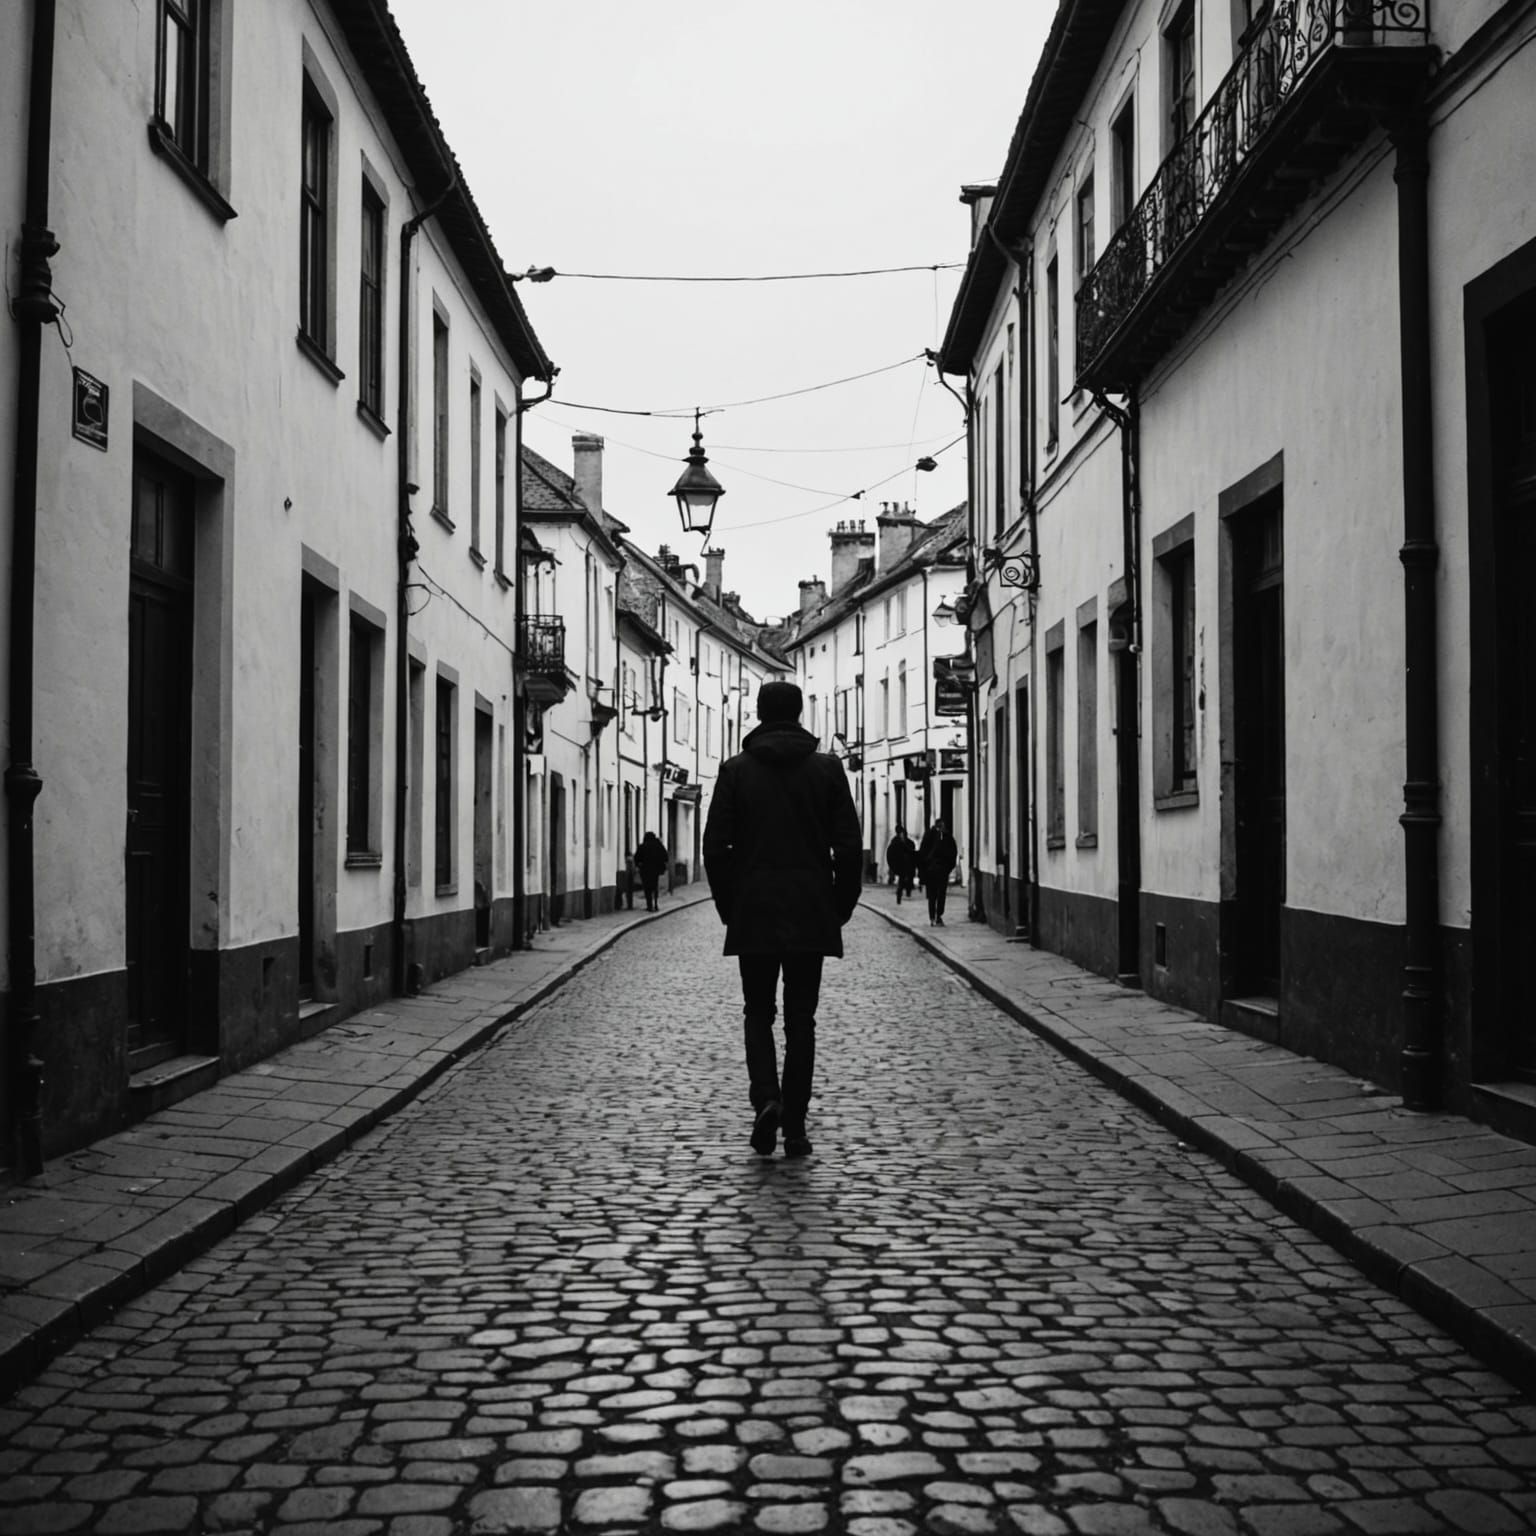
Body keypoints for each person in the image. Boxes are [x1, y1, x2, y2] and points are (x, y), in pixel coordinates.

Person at [703, 680, 861, 1159]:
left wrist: (731, 905)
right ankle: (794, 1124)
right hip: (811, 910)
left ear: (757, 713)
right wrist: (841, 905)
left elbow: (714, 849)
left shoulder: (735, 771)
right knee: (801, 1020)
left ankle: (765, 1099)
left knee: (758, 1012)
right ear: (798, 713)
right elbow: (849, 847)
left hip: (753, 911)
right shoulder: (828, 770)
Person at [917, 818, 959, 926]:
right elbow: (922, 853)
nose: (941, 829)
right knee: (934, 895)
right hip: (933, 871)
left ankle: (937, 916)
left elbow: (953, 854)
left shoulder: (947, 838)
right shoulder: (930, 837)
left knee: (939, 895)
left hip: (940, 871)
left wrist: (947, 868)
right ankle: (934, 917)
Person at [636, 832, 668, 912]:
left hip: (645, 870)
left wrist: (639, 865)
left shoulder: (642, 846)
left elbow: (637, 858)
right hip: (655, 870)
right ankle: (656, 903)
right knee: (655, 886)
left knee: (647, 888)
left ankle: (649, 905)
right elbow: (665, 856)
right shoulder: (658, 846)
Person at [885, 826, 916, 903]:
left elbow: (912, 851)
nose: (902, 835)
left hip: (908, 863)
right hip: (901, 864)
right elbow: (892, 853)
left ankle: (907, 891)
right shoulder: (895, 842)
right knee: (902, 880)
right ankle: (899, 894)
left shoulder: (909, 842)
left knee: (909, 878)